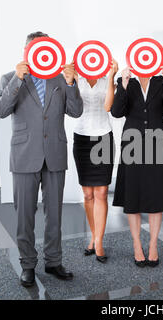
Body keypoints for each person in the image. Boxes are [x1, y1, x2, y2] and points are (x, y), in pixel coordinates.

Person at [0, 31, 83, 287]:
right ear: (26, 51)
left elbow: (76, 111)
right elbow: (0, 110)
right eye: (34, 47)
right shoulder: (10, 78)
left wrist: (72, 84)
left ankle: (53, 261)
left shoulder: (60, 78)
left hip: (54, 154)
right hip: (24, 155)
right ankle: (28, 264)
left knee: (55, 213)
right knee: (25, 214)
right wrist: (18, 80)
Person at [111, 65, 163, 267]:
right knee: (133, 195)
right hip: (132, 145)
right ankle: (137, 244)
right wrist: (122, 86)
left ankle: (152, 245)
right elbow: (116, 112)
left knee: (156, 194)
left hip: (156, 144)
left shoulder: (160, 82)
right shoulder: (127, 82)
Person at [72, 59, 119, 264]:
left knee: (101, 192)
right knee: (88, 193)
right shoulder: (76, 77)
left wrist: (111, 77)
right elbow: (73, 106)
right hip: (82, 137)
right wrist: (70, 77)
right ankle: (93, 235)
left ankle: (99, 241)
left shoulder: (107, 78)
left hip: (103, 137)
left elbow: (108, 106)